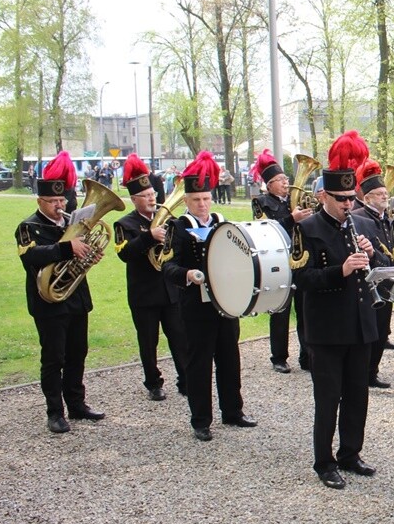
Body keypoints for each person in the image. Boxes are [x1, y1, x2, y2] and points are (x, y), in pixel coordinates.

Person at [292, 131, 380, 490]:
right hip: (327, 328)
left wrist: (372, 255)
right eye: (341, 199)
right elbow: (301, 277)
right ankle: (324, 461)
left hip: (359, 323)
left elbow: (382, 265)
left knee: (358, 392)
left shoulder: (361, 224)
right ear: (325, 196)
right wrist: (339, 270)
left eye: (350, 198)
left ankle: (350, 452)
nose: (348, 204)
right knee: (328, 397)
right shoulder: (308, 228)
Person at [162, 151, 257, 442]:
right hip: (196, 306)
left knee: (230, 358)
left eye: (205, 198)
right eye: (196, 200)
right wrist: (187, 275)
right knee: (199, 362)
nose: (202, 205)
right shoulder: (177, 227)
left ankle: (233, 411)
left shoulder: (221, 223)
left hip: (225, 303)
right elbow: (167, 265)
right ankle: (201, 419)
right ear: (186, 201)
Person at [16, 151, 106, 434]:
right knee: (54, 357)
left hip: (76, 299)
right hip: (49, 304)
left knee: (78, 353)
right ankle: (55, 412)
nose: (58, 206)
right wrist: (67, 247)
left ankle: (77, 404)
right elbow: (30, 257)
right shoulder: (28, 226)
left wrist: (89, 255)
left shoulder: (74, 223)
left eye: (61, 200)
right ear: (39, 201)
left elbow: (79, 258)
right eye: (52, 201)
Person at [114, 154, 190, 401]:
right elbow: (125, 253)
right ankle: (153, 382)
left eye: (153, 195)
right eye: (145, 197)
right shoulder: (123, 223)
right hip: (144, 292)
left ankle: (185, 379)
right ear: (134, 199)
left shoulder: (169, 219)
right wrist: (149, 237)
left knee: (179, 337)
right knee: (148, 342)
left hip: (169, 289)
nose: (151, 199)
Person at [251, 149, 314, 373]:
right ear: (269, 185)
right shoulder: (261, 202)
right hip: (278, 259)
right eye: (280, 180)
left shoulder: (294, 200)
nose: (286, 183)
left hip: (301, 257)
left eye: (286, 179)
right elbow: (264, 229)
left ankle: (307, 356)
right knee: (281, 310)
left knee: (305, 310)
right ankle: (279, 356)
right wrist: (292, 218)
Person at [351, 159, 394, 389]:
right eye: (379, 194)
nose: (384, 197)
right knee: (370, 331)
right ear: (367, 197)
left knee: (382, 330)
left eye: (385, 193)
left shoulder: (385, 218)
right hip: (369, 283)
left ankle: (373, 371)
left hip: (386, 281)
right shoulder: (359, 217)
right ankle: (364, 371)